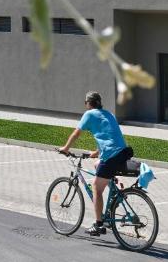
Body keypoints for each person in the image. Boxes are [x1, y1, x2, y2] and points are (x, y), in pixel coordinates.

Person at [59, 91, 133, 237]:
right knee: (97, 164)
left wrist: (65, 148)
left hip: (112, 156)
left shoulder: (89, 114)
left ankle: (99, 225)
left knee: (96, 187)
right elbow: (109, 135)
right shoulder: (108, 113)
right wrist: (96, 152)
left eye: (85, 103)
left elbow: (76, 133)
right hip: (123, 152)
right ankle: (114, 195)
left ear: (88, 103)